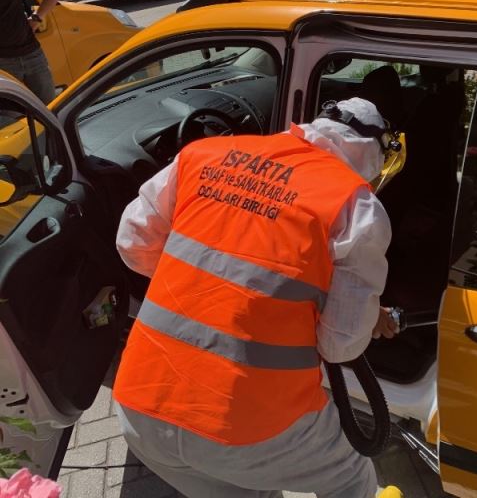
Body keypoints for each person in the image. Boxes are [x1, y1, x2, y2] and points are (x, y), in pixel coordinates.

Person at [112, 97, 401, 498]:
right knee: (352, 476)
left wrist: (207, 288)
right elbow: (340, 345)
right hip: (245, 429)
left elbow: (133, 243)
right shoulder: (356, 206)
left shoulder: (203, 154)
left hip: (140, 410)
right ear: (372, 152)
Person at [0, 0, 62, 104]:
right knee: (11, 114)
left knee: (49, 109)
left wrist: (37, 19)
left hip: (33, 55)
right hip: (3, 65)